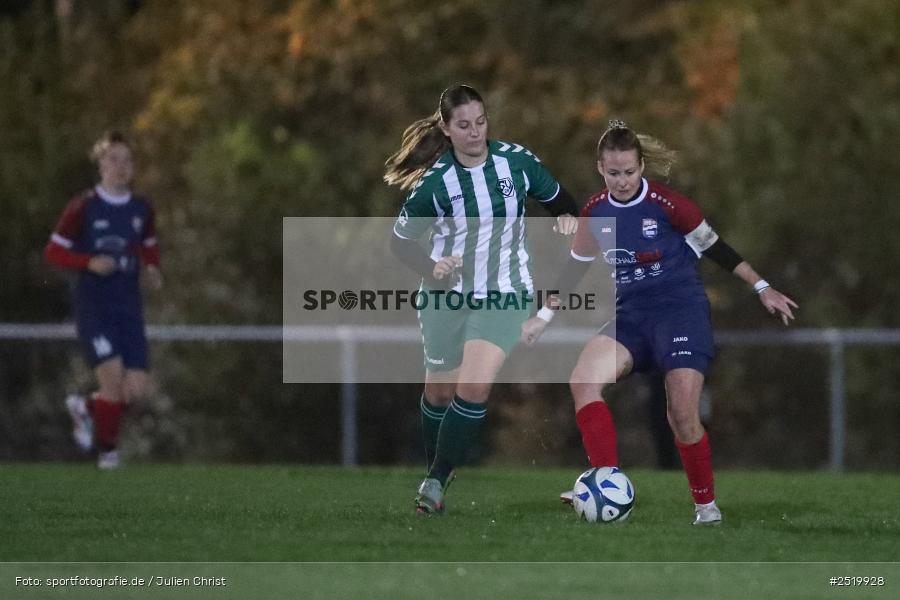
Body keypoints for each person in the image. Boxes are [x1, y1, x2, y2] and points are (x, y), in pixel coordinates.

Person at [522, 120, 798, 525]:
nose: (622, 181)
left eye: (629, 172)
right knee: (582, 380)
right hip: (632, 317)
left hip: (679, 311)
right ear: (600, 167)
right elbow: (575, 268)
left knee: (682, 416)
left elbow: (717, 249)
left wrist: (762, 287)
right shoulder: (595, 211)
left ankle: (706, 507)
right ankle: (605, 481)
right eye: (613, 173)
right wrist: (544, 316)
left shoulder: (670, 205)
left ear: (641, 166)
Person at [385, 84, 579, 514]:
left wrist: (567, 218)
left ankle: (435, 482)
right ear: (446, 129)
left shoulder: (518, 163)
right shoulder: (434, 185)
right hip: (444, 297)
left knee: (472, 387)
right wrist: (429, 269)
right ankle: (442, 465)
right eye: (464, 126)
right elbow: (401, 243)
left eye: (481, 122)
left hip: (506, 293)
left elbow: (563, 202)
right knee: (438, 395)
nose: (475, 133)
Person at [44, 130, 163, 469]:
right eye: (113, 159)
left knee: (134, 388)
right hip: (94, 307)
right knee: (111, 378)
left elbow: (148, 244)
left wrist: (152, 267)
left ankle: (86, 408)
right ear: (101, 164)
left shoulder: (142, 208)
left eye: (127, 160)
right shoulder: (83, 207)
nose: (120, 166)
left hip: (129, 306)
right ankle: (108, 453)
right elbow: (53, 251)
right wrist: (88, 262)